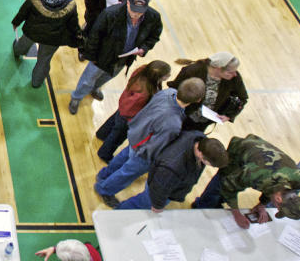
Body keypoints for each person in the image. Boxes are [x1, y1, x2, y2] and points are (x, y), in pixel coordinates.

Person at [94, 78, 206, 207]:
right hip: (144, 152)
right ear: (198, 100)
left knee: (122, 159)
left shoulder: (168, 92)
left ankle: (104, 175)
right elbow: (157, 146)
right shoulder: (173, 123)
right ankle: (105, 190)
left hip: (136, 135)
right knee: (127, 173)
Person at [68, 0, 163, 114]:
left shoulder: (153, 17)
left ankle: (95, 88)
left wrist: (144, 48)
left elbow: (154, 36)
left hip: (124, 58)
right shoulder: (111, 14)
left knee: (108, 76)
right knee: (88, 78)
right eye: (133, 11)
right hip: (102, 56)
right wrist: (92, 56)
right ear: (128, 3)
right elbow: (95, 36)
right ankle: (76, 97)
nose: (136, 15)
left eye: (140, 12)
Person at [194, 134, 300, 227]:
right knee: (222, 179)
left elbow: (275, 187)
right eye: (278, 207)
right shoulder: (254, 175)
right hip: (241, 151)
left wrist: (262, 205)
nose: (277, 208)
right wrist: (236, 213)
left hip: (261, 156)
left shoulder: (299, 179)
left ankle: (216, 203)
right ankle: (201, 205)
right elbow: (228, 186)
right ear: (278, 199)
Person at [120, 132, 230, 211]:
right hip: (156, 193)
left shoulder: (198, 139)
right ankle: (116, 215)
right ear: (201, 155)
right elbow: (159, 188)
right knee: (138, 204)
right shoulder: (173, 167)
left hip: (169, 186)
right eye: (211, 164)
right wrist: (157, 205)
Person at [11, 0, 81, 89]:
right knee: (44, 60)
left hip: (32, 32)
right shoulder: (70, 5)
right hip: (52, 40)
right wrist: (78, 40)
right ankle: (36, 82)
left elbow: (23, 11)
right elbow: (73, 26)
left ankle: (17, 52)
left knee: (23, 44)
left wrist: (16, 22)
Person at [95, 59, 170, 163]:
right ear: (158, 77)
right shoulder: (145, 92)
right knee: (117, 136)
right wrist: (131, 120)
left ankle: (101, 134)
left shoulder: (142, 71)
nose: (169, 76)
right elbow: (132, 107)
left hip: (124, 104)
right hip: (128, 116)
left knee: (113, 120)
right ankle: (104, 154)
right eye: (167, 75)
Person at [169, 52, 248, 132]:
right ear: (218, 68)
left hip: (205, 122)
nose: (235, 74)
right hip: (182, 116)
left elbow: (243, 98)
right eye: (230, 72)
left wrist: (229, 116)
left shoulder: (234, 78)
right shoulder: (192, 71)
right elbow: (173, 90)